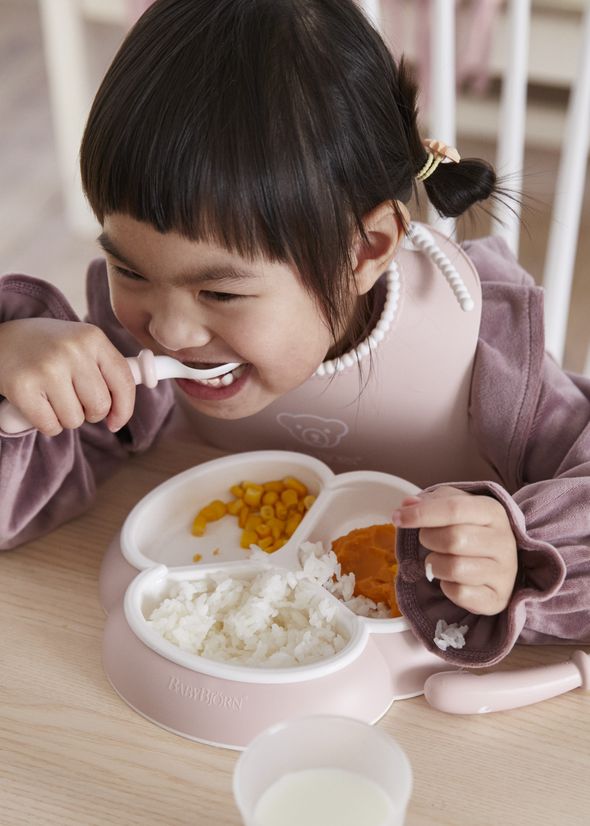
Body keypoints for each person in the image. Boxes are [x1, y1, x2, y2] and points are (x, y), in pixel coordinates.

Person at [0, 0, 588, 667]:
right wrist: (14, 374)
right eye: (129, 270)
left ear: (364, 250)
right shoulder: (131, 342)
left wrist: (520, 555)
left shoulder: (486, 349)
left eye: (220, 293)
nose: (168, 330)